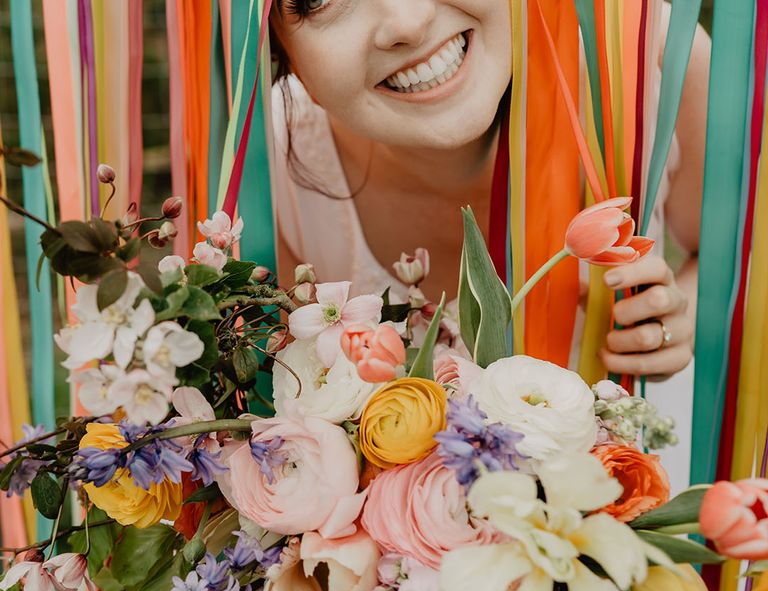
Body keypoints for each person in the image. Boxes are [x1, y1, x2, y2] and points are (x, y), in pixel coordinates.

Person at [269, 0, 711, 381]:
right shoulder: (269, 179)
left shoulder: (654, 61)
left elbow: (730, 262)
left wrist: (676, 319)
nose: (408, 21)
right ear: (277, 51)